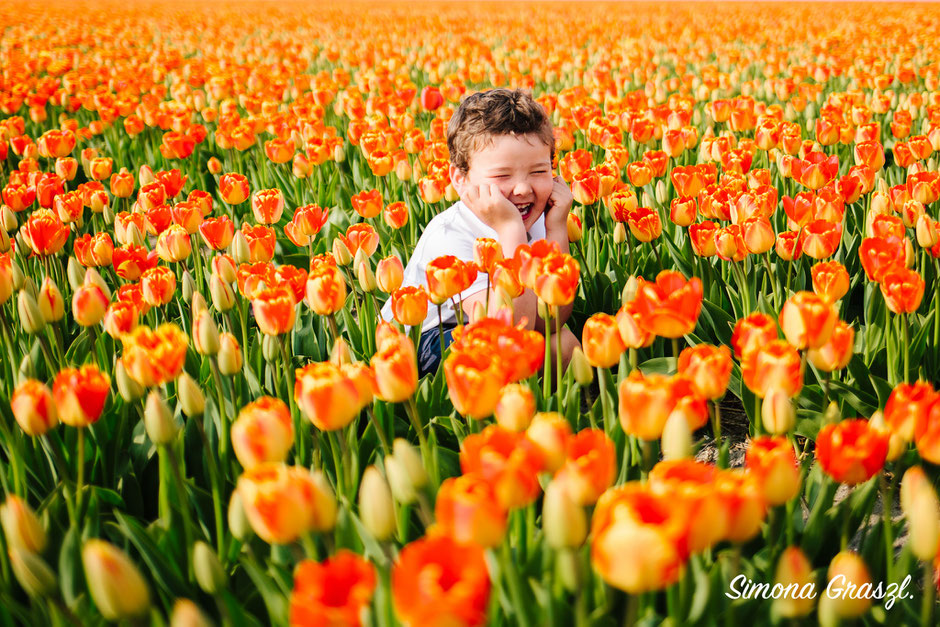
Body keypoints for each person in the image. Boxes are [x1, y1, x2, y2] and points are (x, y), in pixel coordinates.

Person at [380, 87, 580, 377]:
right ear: (460, 179)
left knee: (563, 343)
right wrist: (511, 230)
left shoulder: (534, 215)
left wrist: (557, 228)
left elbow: (553, 318)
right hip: (425, 342)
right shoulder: (451, 236)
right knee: (522, 351)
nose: (523, 188)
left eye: (539, 171)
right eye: (502, 175)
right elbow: (512, 325)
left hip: (487, 327)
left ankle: (571, 410)